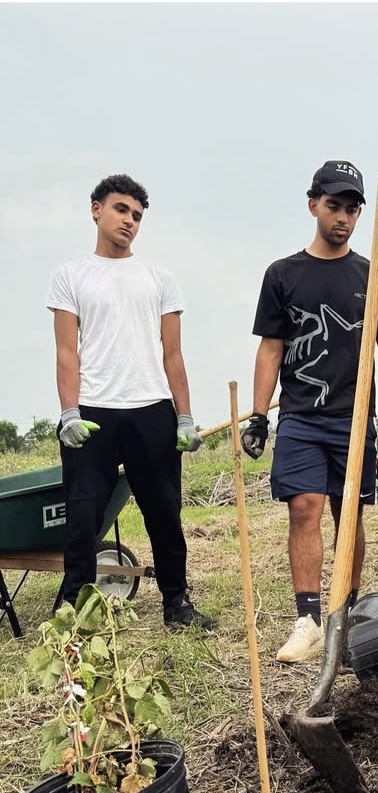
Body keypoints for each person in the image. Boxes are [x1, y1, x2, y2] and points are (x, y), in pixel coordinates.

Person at [242, 160, 378, 664]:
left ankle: (343, 614)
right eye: (335, 205)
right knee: (304, 507)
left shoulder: (371, 277)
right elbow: (270, 349)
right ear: (313, 204)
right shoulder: (282, 275)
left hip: (354, 418)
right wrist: (258, 416)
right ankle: (308, 620)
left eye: (353, 209)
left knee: (347, 514)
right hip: (301, 416)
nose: (344, 218)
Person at [47, 173, 214, 631]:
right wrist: (69, 412)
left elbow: (173, 353)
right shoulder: (71, 276)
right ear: (96, 209)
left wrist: (184, 416)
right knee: (82, 516)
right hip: (94, 414)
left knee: (164, 511)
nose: (130, 221)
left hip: (152, 410)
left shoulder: (159, 277)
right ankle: (73, 612)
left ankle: (176, 603)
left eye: (138, 216)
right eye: (121, 209)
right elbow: (67, 351)